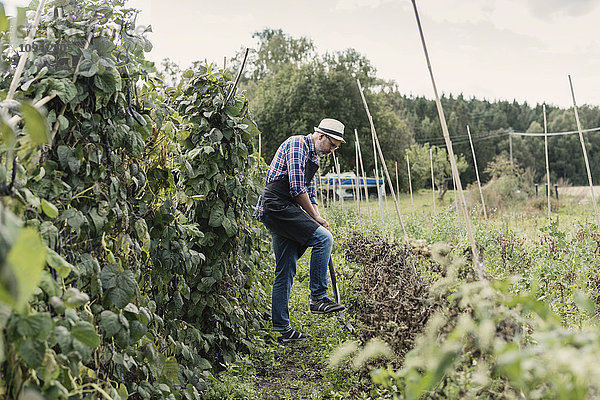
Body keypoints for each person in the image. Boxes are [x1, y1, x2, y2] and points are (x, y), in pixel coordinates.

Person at [254, 118, 346, 342]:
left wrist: (318, 216)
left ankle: (282, 330)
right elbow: (296, 187)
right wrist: (315, 219)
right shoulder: (297, 145)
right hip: (277, 204)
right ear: (321, 136)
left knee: (285, 270)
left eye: (336, 147)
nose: (332, 151)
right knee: (324, 239)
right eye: (332, 145)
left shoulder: (313, 156)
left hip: (285, 208)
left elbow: (310, 193)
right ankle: (318, 298)